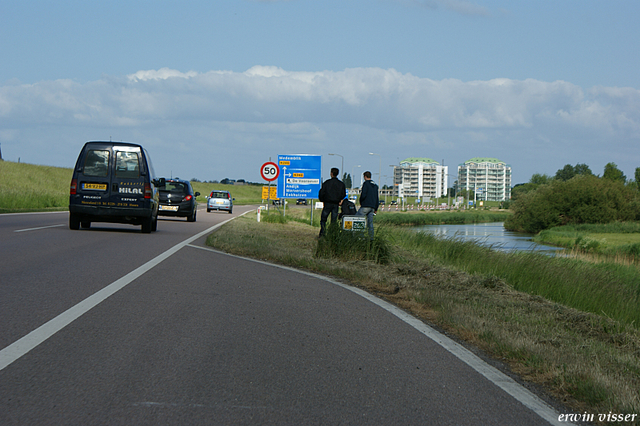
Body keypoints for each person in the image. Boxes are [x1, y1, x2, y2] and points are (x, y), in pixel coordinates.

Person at [318, 168, 346, 237]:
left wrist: (322, 200)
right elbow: (343, 194)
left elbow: (321, 193)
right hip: (335, 204)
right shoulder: (341, 184)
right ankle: (332, 234)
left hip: (327, 203)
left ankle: (323, 233)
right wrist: (340, 199)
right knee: (333, 221)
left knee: (323, 219)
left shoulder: (326, 183)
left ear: (331, 173)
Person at [357, 171, 379, 239]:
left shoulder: (365, 184)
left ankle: (360, 236)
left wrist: (361, 201)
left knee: (357, 219)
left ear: (365, 177)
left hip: (365, 205)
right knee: (370, 223)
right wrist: (376, 208)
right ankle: (371, 238)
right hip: (372, 207)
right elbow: (377, 197)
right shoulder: (375, 185)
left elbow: (363, 195)